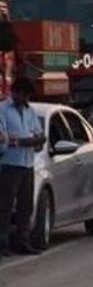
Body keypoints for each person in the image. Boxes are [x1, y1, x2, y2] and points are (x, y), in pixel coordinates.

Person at [0, 78, 47, 258]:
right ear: (15, 92)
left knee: (25, 206)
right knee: (5, 206)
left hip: (28, 164)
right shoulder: (3, 110)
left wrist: (21, 141)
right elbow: (4, 139)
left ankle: (23, 241)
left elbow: (40, 137)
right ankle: (3, 243)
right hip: (9, 164)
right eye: (24, 95)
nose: (26, 99)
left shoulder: (30, 111)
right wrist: (26, 141)